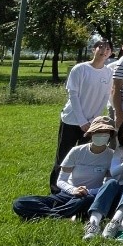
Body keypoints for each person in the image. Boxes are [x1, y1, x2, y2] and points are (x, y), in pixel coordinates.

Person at [14, 116, 115, 220]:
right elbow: (61, 180)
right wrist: (73, 190)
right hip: (67, 194)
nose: (101, 135)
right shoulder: (77, 151)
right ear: (91, 133)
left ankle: (50, 214)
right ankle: (59, 215)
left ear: (110, 135)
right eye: (98, 131)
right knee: (20, 203)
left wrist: (89, 192)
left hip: (89, 196)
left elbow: (108, 184)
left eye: (105, 132)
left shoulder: (112, 156)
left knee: (87, 201)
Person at [50, 39, 113, 193]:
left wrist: (94, 121)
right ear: (94, 49)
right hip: (72, 120)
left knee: (85, 157)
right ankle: (56, 190)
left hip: (91, 123)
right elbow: (73, 95)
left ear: (110, 53)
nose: (104, 51)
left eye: (107, 49)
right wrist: (81, 120)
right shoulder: (80, 69)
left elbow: (105, 97)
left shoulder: (108, 72)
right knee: (64, 156)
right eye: (101, 47)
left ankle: (77, 188)